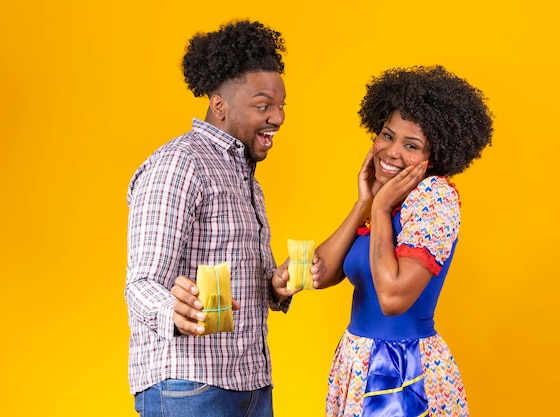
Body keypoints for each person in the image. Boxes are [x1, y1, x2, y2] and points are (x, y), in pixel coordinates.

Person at [125, 19, 323, 417]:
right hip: (190, 386)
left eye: (281, 105)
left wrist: (276, 285)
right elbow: (140, 284)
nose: (278, 117)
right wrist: (174, 312)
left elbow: (246, 284)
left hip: (249, 383)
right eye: (263, 105)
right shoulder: (180, 164)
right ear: (220, 105)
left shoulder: (244, 176)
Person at [313, 65, 493, 417]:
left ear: (434, 156)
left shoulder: (434, 197)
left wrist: (379, 209)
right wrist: (364, 202)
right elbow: (318, 273)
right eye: (387, 135)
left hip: (402, 369)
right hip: (358, 361)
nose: (392, 152)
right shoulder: (388, 197)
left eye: (411, 145)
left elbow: (393, 298)